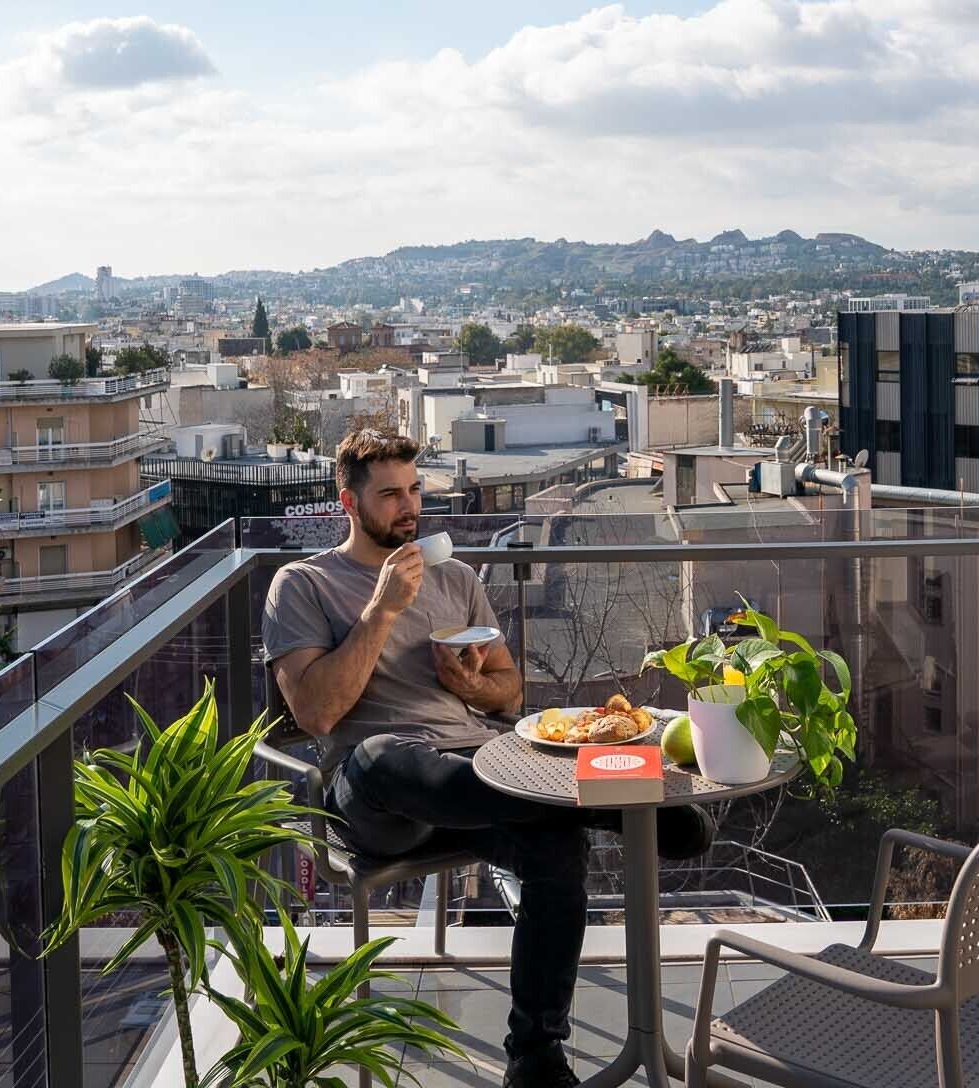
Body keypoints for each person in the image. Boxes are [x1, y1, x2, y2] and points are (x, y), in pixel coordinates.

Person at [264, 427, 712, 1088]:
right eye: (390, 495)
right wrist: (382, 610)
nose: (409, 507)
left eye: (414, 489)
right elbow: (316, 713)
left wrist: (472, 686)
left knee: (556, 847)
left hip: (476, 779)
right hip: (377, 793)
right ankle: (610, 805)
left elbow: (510, 692)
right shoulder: (302, 584)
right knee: (387, 754)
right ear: (349, 504)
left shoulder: (454, 578)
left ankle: (535, 1056)